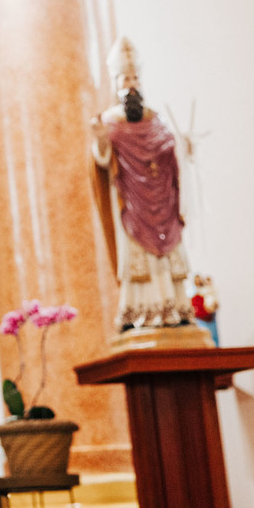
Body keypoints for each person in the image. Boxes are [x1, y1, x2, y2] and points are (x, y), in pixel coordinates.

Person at [90, 37, 194, 332]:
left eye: (135, 77)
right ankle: (142, 312)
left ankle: (175, 307)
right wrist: (101, 140)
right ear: (116, 83)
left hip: (162, 200)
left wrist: (183, 148)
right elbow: (102, 161)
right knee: (140, 261)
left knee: (167, 255)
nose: (132, 84)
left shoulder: (156, 119)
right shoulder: (109, 121)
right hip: (132, 203)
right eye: (126, 78)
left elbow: (169, 155)